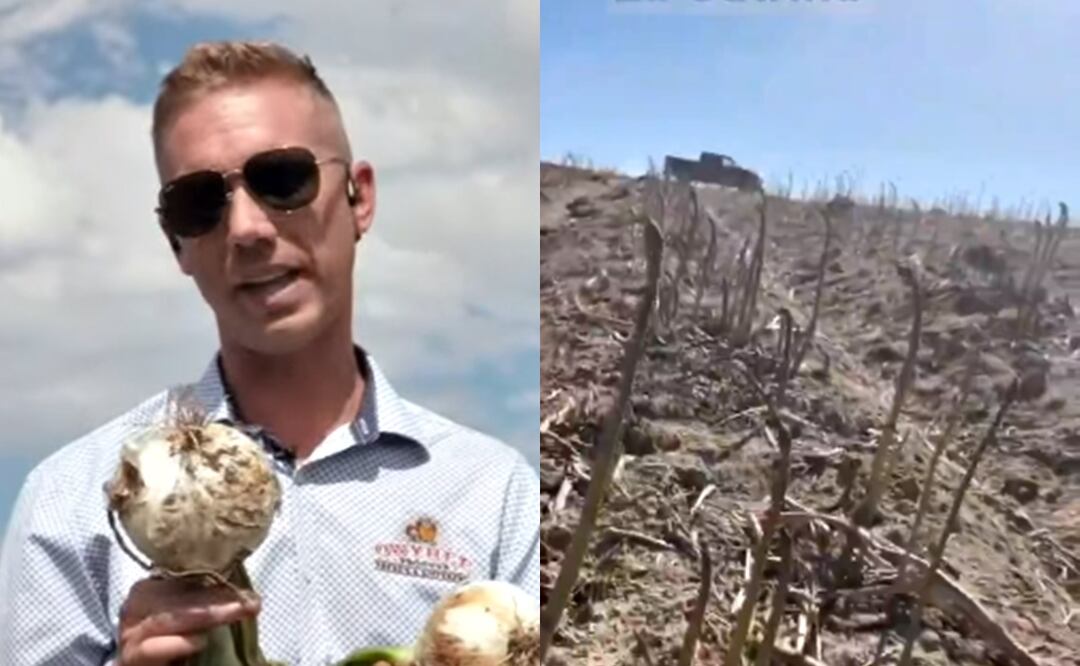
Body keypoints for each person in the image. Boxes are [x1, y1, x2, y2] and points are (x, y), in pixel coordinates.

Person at [0, 40, 539, 665]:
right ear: (176, 243)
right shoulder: (72, 502)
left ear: (358, 198)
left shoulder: (493, 494)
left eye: (283, 179)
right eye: (200, 203)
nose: (247, 229)